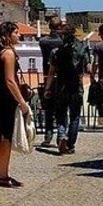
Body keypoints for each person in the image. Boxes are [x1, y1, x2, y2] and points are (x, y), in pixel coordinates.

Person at [0, 22, 31, 187]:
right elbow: (10, 80)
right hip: (5, 99)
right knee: (5, 138)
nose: (19, 35)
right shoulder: (8, 54)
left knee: (1, 137)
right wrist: (22, 102)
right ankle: (3, 175)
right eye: (16, 32)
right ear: (8, 35)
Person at [44, 25, 88, 154]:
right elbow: (87, 69)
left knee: (61, 114)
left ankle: (62, 135)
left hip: (61, 86)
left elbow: (51, 72)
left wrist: (47, 89)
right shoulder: (82, 50)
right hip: (76, 86)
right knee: (74, 116)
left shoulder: (56, 52)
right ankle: (70, 145)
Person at [38, 16, 63, 147]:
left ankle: (48, 136)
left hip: (47, 76)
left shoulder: (43, 42)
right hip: (62, 77)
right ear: (60, 26)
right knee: (61, 108)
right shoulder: (63, 42)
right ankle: (61, 134)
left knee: (49, 108)